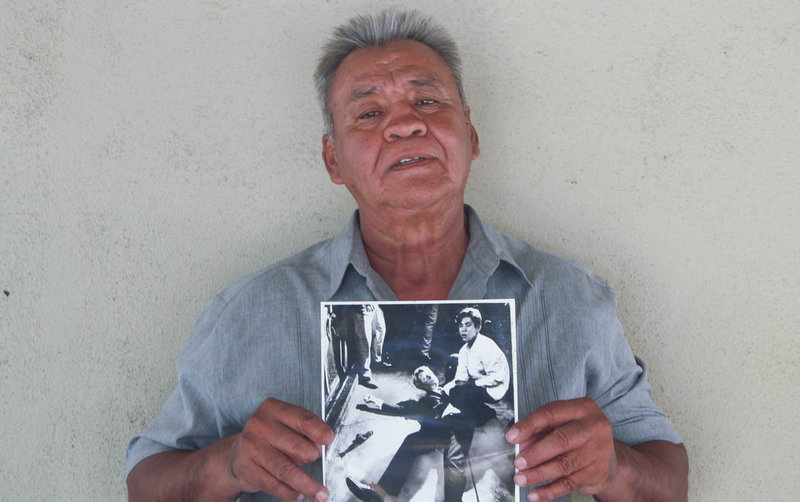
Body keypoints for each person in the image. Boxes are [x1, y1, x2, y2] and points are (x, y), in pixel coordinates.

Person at [126, 9, 688, 502]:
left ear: (469, 134)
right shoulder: (250, 312)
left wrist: (612, 469)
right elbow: (147, 482)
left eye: (427, 100)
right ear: (333, 161)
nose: (405, 123)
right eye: (369, 114)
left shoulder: (571, 299)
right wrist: (226, 465)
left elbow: (669, 482)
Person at [347, 366, 476, 502]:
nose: (429, 378)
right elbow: (399, 409)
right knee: (411, 441)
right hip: (437, 435)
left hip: (456, 433)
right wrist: (378, 403)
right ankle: (378, 494)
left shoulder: (449, 389)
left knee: (454, 470)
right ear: (421, 386)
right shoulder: (424, 401)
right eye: (424, 379)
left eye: (429, 374)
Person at [446, 307, 510, 427]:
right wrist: (454, 386)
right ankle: (485, 413)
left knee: (460, 394)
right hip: (477, 381)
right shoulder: (463, 350)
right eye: (461, 326)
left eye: (468, 325)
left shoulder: (486, 346)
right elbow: (460, 377)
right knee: (454, 393)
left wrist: (472, 385)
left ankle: (485, 417)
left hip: (496, 388)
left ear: (477, 327)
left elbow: (498, 376)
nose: (463, 330)